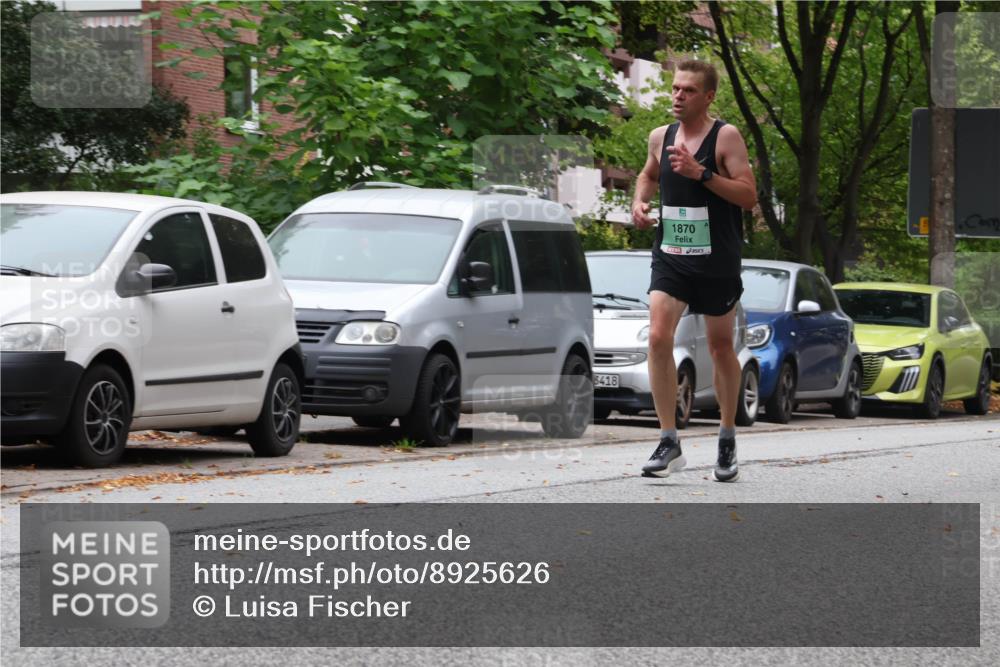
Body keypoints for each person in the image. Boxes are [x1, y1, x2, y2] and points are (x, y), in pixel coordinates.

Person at [631, 59, 757, 482]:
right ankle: (668, 439)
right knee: (657, 336)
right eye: (674, 88)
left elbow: (747, 195)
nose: (677, 96)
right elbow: (648, 175)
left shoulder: (726, 137)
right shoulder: (659, 137)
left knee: (721, 346)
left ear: (707, 96)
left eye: (687, 90)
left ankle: (726, 436)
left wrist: (701, 173)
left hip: (716, 258)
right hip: (671, 254)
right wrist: (639, 202)